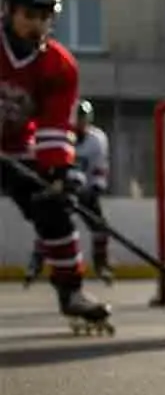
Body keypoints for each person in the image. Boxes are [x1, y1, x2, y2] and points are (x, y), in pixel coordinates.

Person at [0, 0, 112, 333]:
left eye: (45, 17)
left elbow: (53, 124)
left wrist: (58, 172)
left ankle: (71, 292)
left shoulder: (58, 64)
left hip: (17, 148)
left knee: (54, 208)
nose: (38, 25)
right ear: (8, 11)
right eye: (30, 15)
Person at [24, 98, 114, 285]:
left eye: (83, 119)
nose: (80, 123)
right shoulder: (61, 136)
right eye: (77, 118)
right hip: (62, 188)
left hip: (85, 190)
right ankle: (36, 262)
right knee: (53, 226)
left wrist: (96, 187)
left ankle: (101, 264)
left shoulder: (97, 140)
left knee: (100, 228)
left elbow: (99, 168)